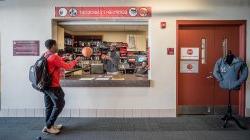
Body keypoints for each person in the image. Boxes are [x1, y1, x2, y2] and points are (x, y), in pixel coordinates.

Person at [42, 39, 80, 134]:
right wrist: (75, 61)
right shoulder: (54, 57)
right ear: (53, 46)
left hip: (45, 85)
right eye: (57, 45)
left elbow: (54, 63)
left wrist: (63, 58)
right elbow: (67, 67)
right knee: (59, 104)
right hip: (53, 86)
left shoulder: (46, 54)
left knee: (49, 106)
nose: (58, 47)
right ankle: (49, 126)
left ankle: (49, 125)